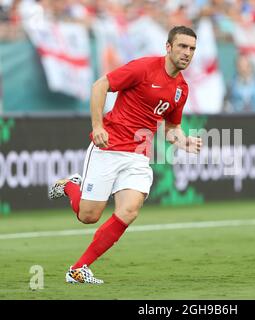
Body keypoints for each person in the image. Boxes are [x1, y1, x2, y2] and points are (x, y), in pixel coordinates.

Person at [48, 25, 202, 284]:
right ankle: (71, 186)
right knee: (88, 216)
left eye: (192, 49)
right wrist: (97, 126)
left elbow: (171, 128)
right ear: (168, 47)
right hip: (109, 147)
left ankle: (78, 268)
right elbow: (100, 85)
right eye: (182, 46)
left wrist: (183, 141)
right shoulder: (143, 68)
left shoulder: (181, 89)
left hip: (139, 154)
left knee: (129, 210)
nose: (187, 53)